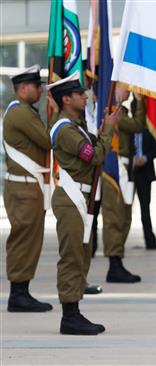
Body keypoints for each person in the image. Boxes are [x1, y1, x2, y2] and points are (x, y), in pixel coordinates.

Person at [48, 72, 121, 335]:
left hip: (80, 197)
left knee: (81, 255)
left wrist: (103, 128)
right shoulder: (66, 130)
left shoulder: (75, 126)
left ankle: (74, 311)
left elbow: (92, 150)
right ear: (66, 99)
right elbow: (96, 156)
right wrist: (109, 129)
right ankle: (69, 316)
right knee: (72, 257)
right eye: (79, 94)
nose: (85, 96)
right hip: (72, 199)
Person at [2, 64, 53, 312]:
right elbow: (46, 140)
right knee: (24, 240)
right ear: (23, 88)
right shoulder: (21, 113)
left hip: (27, 188)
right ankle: (18, 294)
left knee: (30, 240)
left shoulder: (25, 111)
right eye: (36, 86)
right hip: (23, 189)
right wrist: (54, 115)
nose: (41, 90)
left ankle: (22, 291)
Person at [101, 85, 146, 282]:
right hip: (114, 169)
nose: (129, 89)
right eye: (124, 86)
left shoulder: (121, 111)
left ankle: (117, 260)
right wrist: (140, 101)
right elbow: (137, 125)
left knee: (125, 217)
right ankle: (114, 263)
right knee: (114, 218)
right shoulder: (112, 112)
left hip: (124, 168)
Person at [133, 129, 156, 250]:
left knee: (145, 209)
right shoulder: (126, 132)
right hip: (128, 173)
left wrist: (144, 158)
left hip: (144, 175)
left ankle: (150, 242)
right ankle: (117, 244)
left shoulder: (145, 132)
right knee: (122, 210)